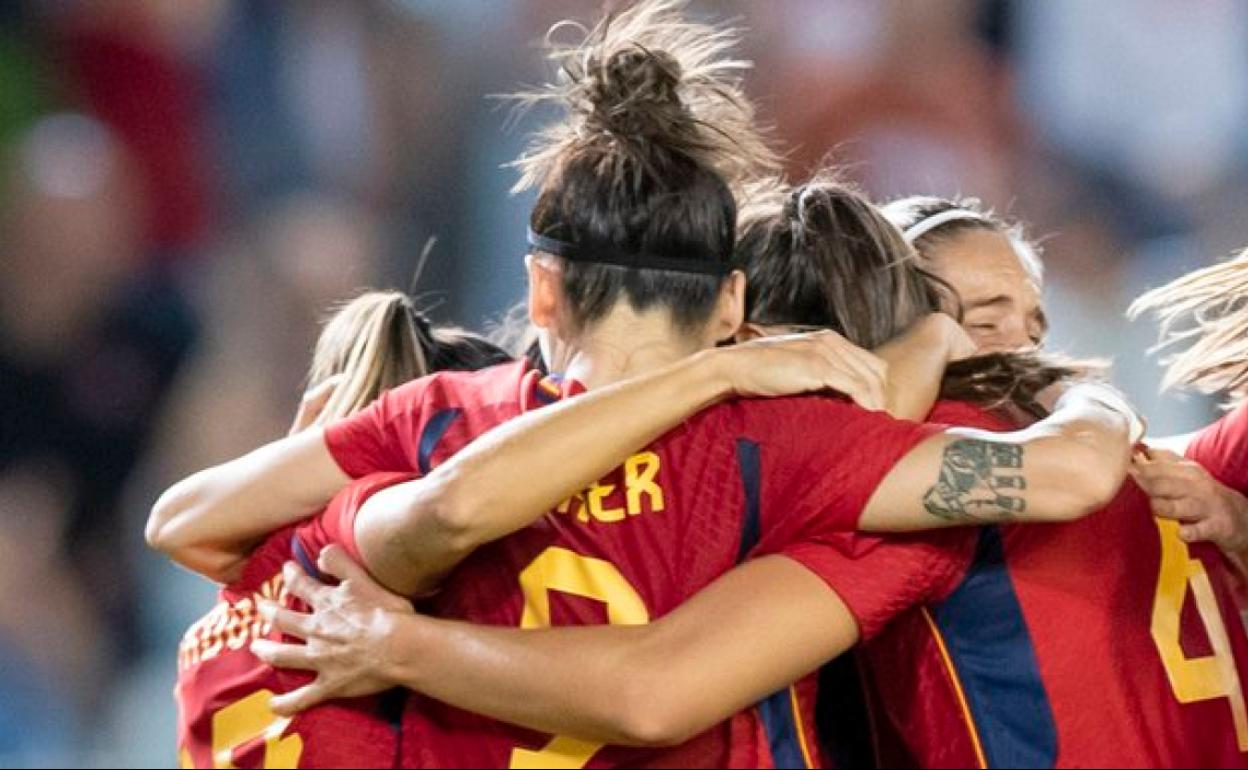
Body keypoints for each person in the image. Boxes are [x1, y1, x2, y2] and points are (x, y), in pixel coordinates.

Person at [150, 2, 1135, 767]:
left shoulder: (438, 421)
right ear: (730, 300)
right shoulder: (784, 443)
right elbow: (1062, 475)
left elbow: (191, 521)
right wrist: (951, 348)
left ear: (542, 288)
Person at [257, 177, 1242, 769]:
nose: (1026, 342)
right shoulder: (1140, 467)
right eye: (986, 317)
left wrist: (396, 640)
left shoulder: (890, 503)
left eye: (1030, 319)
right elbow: (656, 687)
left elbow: (657, 684)